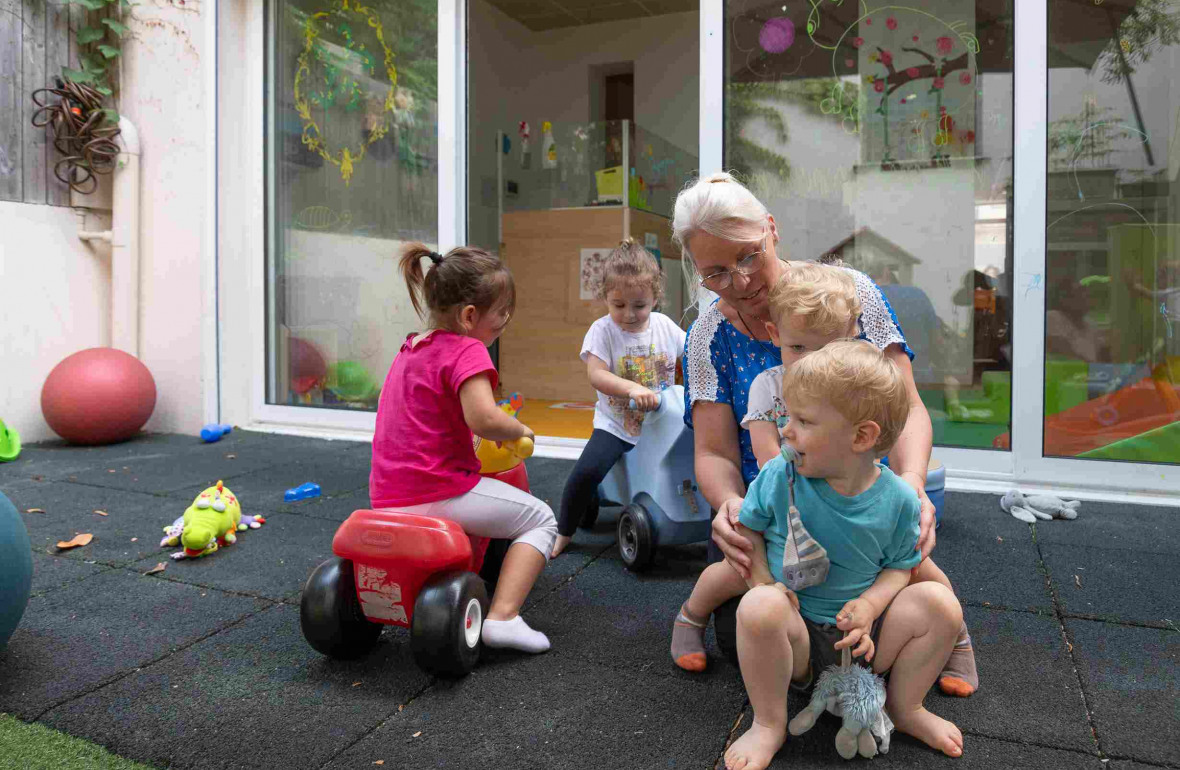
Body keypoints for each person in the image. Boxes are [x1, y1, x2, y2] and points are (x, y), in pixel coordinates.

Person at [673, 171, 978, 697]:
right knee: (748, 625)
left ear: (772, 229)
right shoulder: (707, 336)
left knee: (904, 582)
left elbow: (906, 410)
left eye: (749, 257)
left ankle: (932, 643)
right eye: (717, 273)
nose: (741, 282)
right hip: (772, 509)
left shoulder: (846, 295)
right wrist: (728, 506)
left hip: (855, 489)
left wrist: (910, 484)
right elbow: (714, 452)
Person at [723, 341, 964, 770]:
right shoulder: (781, 475)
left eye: (803, 420)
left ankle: (906, 707)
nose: (786, 431)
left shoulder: (898, 499)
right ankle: (768, 722)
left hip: (866, 643)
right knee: (759, 606)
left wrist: (871, 607)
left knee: (941, 605)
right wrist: (765, 583)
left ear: (861, 436)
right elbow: (749, 532)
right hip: (796, 637)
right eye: (787, 417)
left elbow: (900, 566)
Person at [671, 262, 860, 672]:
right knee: (739, 565)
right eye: (798, 348)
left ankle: (952, 634)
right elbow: (767, 455)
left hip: (841, 497)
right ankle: (691, 615)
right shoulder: (770, 386)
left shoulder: (857, 390)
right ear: (776, 336)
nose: (812, 362)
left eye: (827, 349)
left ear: (853, 339)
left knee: (907, 552)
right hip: (778, 499)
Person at [369, 243, 557, 654]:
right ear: (469, 316)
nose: (503, 325)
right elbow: (483, 418)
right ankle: (504, 617)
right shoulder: (466, 349)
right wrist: (518, 428)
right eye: (500, 317)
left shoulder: (409, 350)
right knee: (541, 519)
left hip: (387, 497)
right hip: (438, 493)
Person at [552, 239, 686, 558]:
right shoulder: (603, 331)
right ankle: (564, 530)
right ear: (606, 299)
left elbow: (693, 355)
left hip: (660, 425)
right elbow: (597, 374)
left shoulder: (665, 327)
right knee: (585, 474)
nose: (628, 314)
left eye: (639, 305)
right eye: (618, 305)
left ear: (655, 297)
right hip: (617, 425)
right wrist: (632, 389)